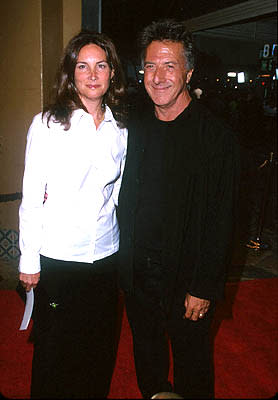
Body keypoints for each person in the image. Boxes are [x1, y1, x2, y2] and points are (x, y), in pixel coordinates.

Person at [118, 19, 239, 399]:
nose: (158, 77)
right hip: (138, 274)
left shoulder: (217, 138)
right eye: (150, 66)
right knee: (148, 360)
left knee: (193, 365)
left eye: (169, 66)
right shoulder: (134, 129)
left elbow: (224, 220)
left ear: (188, 71)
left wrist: (203, 286)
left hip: (187, 280)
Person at [18, 31, 127, 398]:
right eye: (83, 66)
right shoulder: (48, 124)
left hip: (106, 258)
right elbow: (32, 196)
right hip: (60, 257)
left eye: (101, 65)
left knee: (98, 350)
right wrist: (29, 258)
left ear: (113, 73)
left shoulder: (121, 129)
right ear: (71, 73)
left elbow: (117, 195)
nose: (92, 74)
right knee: (55, 351)